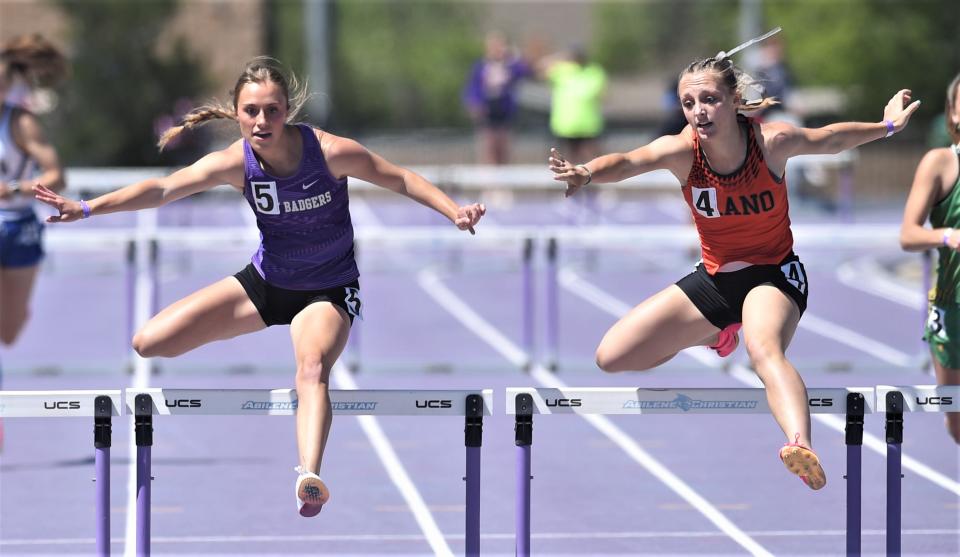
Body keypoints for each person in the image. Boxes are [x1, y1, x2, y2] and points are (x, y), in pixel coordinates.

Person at [35, 58, 486, 515]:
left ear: (287, 110)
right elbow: (162, 189)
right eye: (251, 111)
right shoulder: (235, 163)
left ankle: (309, 475)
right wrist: (87, 209)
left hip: (326, 291)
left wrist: (454, 211)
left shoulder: (330, 153)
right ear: (236, 114)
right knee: (149, 342)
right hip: (268, 283)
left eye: (272, 110)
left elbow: (400, 177)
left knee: (311, 369)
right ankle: (300, 446)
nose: (262, 121)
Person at [549, 42, 919, 490]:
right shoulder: (682, 151)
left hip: (773, 275)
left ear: (733, 101)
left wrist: (888, 125)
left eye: (709, 100)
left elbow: (832, 138)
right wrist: (586, 172)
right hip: (717, 279)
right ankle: (715, 331)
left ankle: (800, 443)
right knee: (611, 357)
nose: (699, 111)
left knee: (762, 349)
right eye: (689, 103)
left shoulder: (771, 142)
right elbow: (628, 162)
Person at [0, 34, 68, 451]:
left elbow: (57, 176)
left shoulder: (19, 123)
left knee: (9, 331)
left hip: (19, 228)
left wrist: (14, 188)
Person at [899, 72, 960, 445]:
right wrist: (949, 236)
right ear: (954, 114)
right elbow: (908, 234)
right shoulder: (940, 163)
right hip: (952, 305)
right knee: (956, 423)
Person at [462, 31, 532, 165]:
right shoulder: (481, 66)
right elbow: (472, 88)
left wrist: (514, 55)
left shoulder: (510, 66)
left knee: (505, 152)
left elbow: (527, 70)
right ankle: (490, 184)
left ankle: (504, 183)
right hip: (487, 115)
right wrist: (474, 104)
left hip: (505, 115)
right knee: (488, 152)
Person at [539, 45, 607, 165]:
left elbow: (601, 94)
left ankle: (592, 180)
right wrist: (561, 57)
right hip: (565, 125)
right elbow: (541, 66)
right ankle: (572, 182)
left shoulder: (594, 71)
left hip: (588, 125)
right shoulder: (562, 70)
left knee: (592, 158)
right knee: (567, 159)